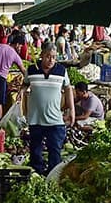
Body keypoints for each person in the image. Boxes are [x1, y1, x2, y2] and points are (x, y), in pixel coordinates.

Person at [24, 43, 74, 176]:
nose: (51, 60)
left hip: (55, 120)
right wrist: (22, 97)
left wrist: (71, 110)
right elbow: (24, 86)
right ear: (41, 56)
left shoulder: (61, 71)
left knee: (55, 152)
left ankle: (53, 178)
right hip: (35, 119)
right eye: (48, 56)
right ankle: (37, 175)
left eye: (53, 57)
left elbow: (68, 89)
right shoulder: (31, 70)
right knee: (35, 151)